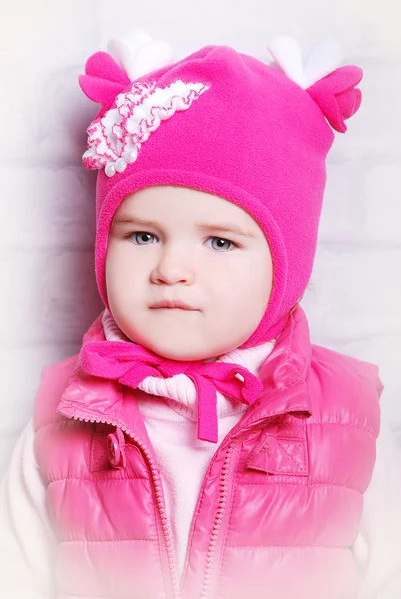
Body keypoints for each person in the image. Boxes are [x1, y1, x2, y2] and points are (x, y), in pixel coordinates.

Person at [1, 32, 401, 599]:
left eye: (219, 243)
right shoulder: (63, 416)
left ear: (286, 264)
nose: (171, 269)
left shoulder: (347, 420)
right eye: (141, 235)